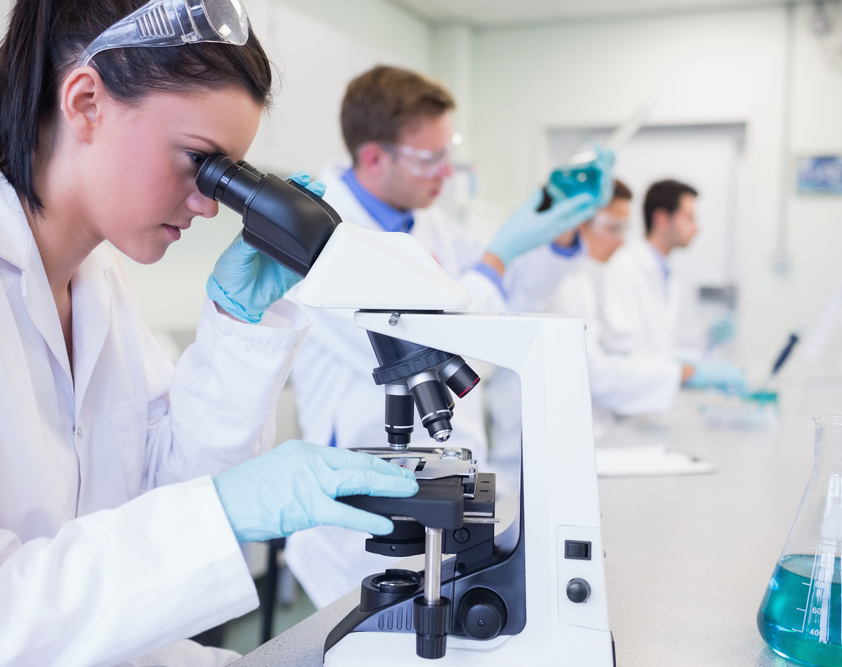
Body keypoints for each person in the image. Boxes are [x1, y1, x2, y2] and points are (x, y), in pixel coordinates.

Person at [0, 2, 419, 665]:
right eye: (199, 160)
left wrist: (237, 326)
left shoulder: (98, 280)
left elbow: (162, 489)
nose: (210, 201)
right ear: (85, 103)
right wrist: (221, 511)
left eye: (229, 173)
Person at [283, 65, 612, 609]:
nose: (446, 172)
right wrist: (497, 255)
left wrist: (558, 230)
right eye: (429, 158)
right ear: (373, 157)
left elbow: (505, 300)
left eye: (448, 152)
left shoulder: (432, 223)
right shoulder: (322, 244)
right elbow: (424, 343)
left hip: (445, 483)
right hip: (358, 527)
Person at [488, 180, 689, 461]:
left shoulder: (583, 275)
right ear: (575, 222)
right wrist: (678, 375)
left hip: (569, 437)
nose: (621, 241)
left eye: (624, 228)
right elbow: (590, 373)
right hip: (530, 448)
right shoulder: (552, 281)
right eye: (613, 228)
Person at [599, 178, 745, 392]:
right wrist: (691, 373)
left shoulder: (664, 272)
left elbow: (661, 344)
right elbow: (626, 353)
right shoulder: (624, 267)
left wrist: (707, 337)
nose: (696, 227)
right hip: (624, 404)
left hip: (647, 397)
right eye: (689, 218)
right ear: (661, 218)